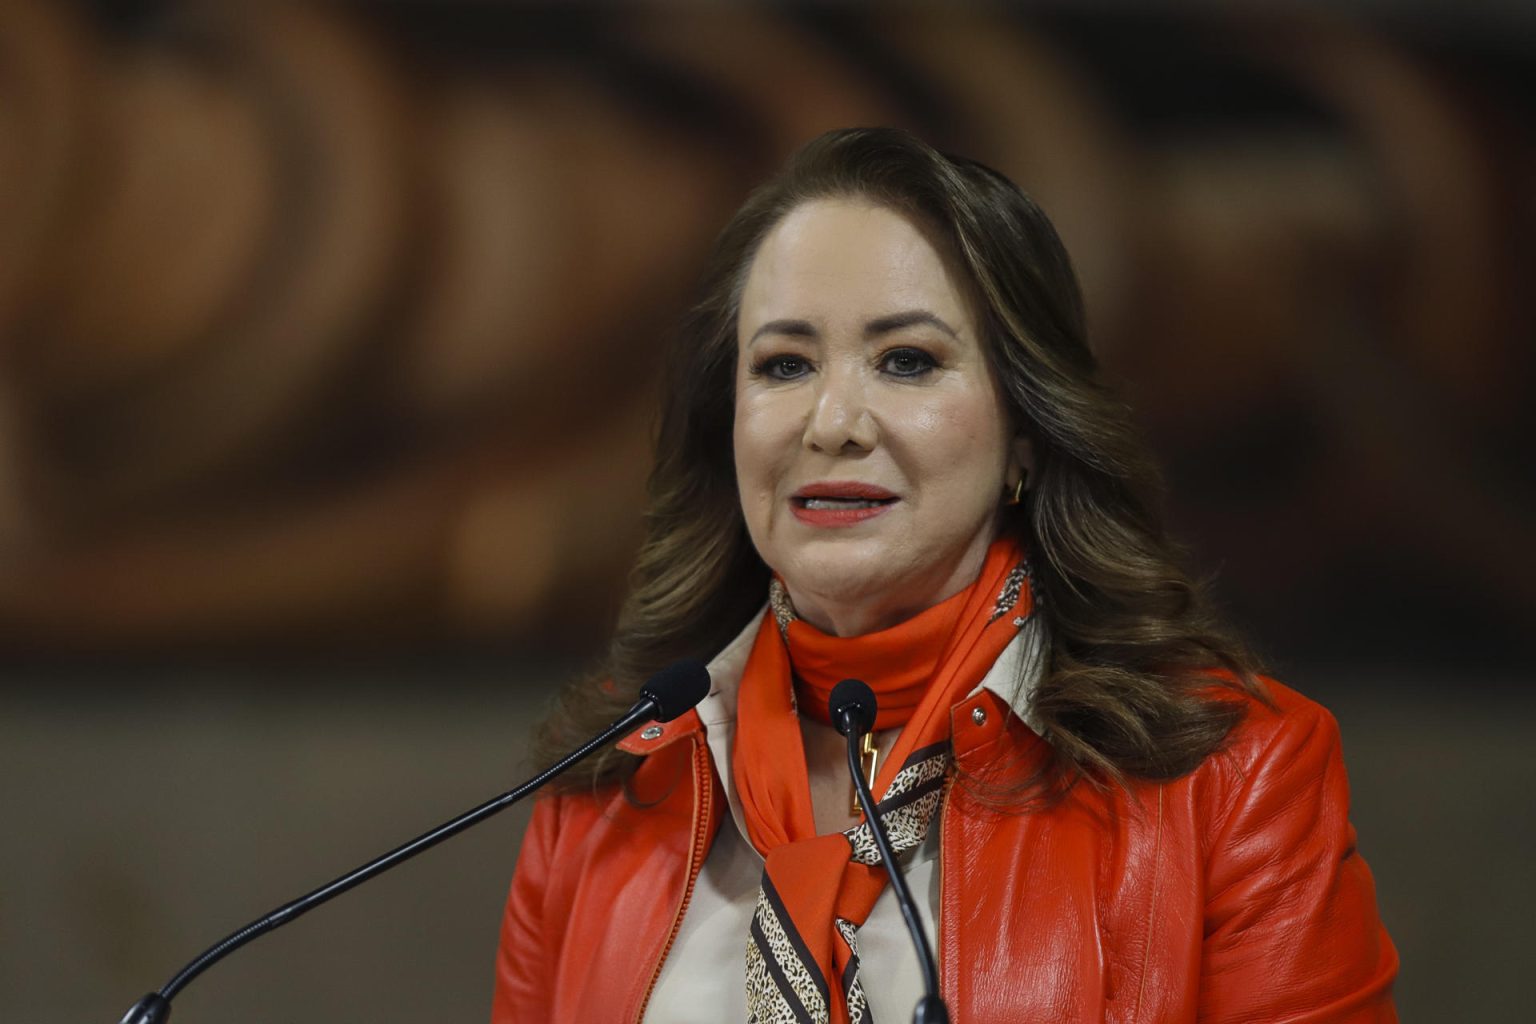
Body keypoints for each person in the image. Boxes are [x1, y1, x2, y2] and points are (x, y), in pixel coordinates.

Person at [490, 128, 1398, 1023]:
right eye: (784, 364)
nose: (832, 421)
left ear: (1028, 436)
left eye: (907, 360)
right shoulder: (609, 787)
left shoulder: (1235, 782)